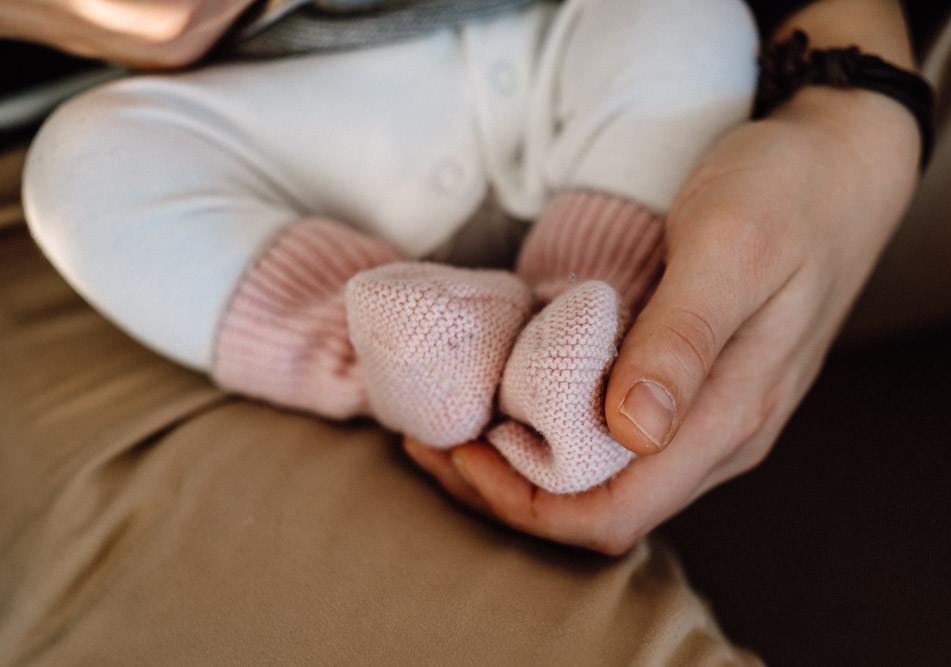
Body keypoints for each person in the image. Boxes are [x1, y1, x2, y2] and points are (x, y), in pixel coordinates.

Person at [20, 0, 761, 495]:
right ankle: (397, 349)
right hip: (299, 103)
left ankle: (591, 319)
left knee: (693, 15)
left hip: (548, 36)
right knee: (80, 168)